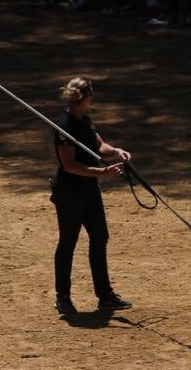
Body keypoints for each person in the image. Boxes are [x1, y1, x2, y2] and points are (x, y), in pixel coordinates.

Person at [50, 77, 133, 317]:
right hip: (69, 193)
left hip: (89, 191)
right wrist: (102, 172)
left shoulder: (85, 121)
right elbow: (69, 164)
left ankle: (105, 295)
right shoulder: (64, 127)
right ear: (86, 97)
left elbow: (99, 147)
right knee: (68, 242)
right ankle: (63, 297)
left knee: (100, 237)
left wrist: (116, 152)